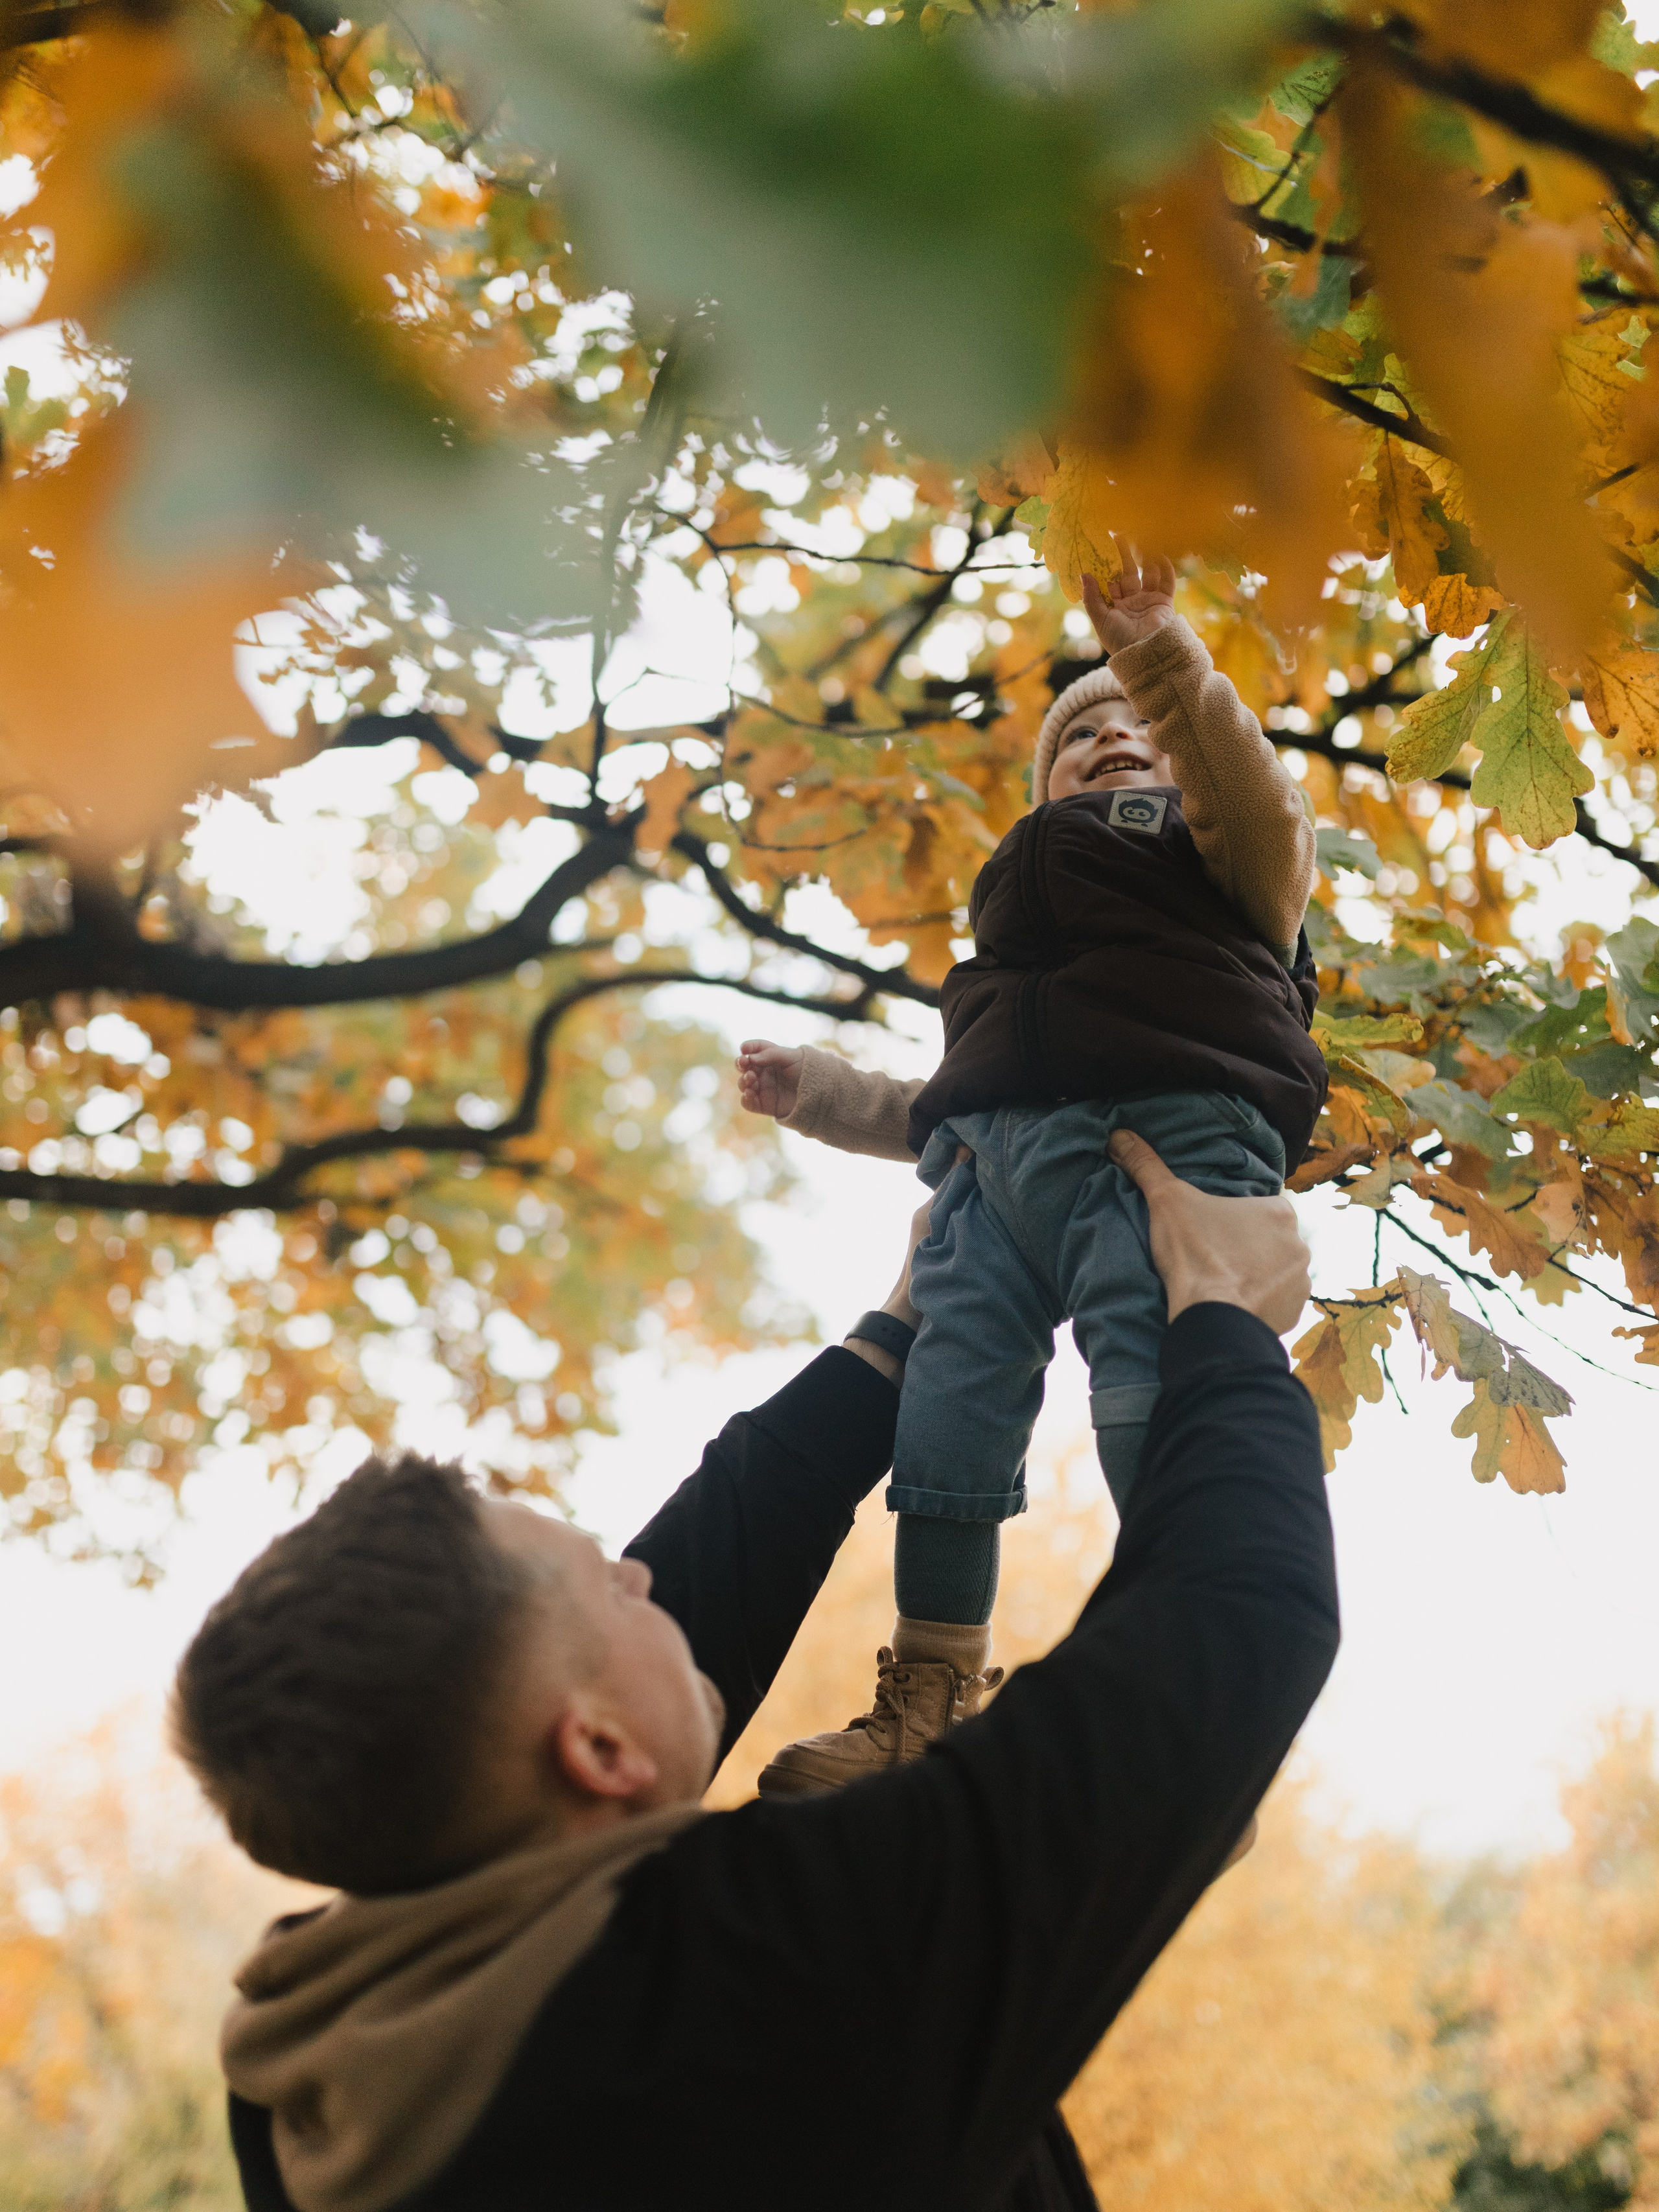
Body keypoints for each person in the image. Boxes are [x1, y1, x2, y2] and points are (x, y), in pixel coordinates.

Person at [176, 1135, 1336, 2212]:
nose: (642, 1579)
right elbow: (1224, 1638)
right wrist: (1227, 1330)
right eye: (609, 1583)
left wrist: (895, 1337)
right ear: (599, 1752)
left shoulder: (309, 2069)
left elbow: (676, 1601)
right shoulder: (783, 1982)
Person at [737, 546, 1327, 1793]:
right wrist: (826, 1092)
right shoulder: (1015, 920)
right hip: (1001, 1176)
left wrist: (1156, 658)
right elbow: (951, 1098)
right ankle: (930, 1693)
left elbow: (1249, 799)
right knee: (944, 1410)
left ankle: (1186, 1691)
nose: (1114, 738)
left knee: (1152, 1389)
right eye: (1079, 741)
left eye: (1139, 731)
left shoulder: (1230, 862)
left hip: (1163, 1149)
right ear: (1041, 791)